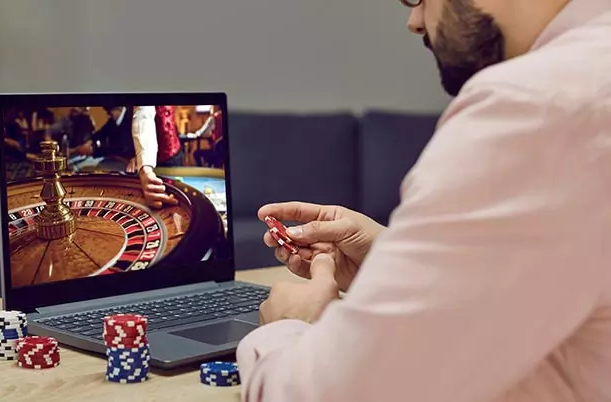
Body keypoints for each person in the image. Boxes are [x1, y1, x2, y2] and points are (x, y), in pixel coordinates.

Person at [236, 0, 611, 401]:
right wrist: (396, 261)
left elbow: (342, 392)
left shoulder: (533, 105)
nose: (415, 22)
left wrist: (288, 326)